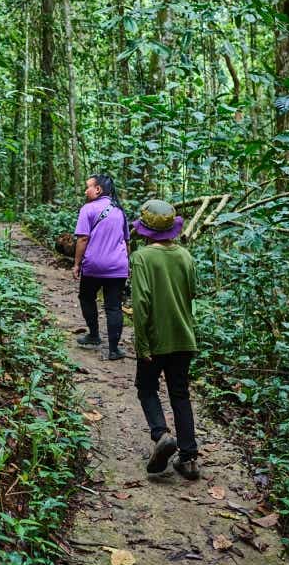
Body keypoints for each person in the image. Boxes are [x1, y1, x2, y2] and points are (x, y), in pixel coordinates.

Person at [130, 199, 200, 480]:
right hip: (184, 337)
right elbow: (192, 292)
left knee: (146, 387)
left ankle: (161, 434)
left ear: (145, 230)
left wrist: (142, 344)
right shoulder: (185, 256)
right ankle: (189, 457)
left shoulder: (142, 258)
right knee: (180, 394)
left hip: (155, 338)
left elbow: (141, 303)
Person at [72, 174, 131, 360]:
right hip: (117, 267)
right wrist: (126, 264)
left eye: (88, 187)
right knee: (114, 307)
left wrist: (76, 264)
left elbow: (82, 239)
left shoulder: (87, 209)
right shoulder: (119, 211)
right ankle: (114, 349)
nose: (85, 190)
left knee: (86, 297)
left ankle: (94, 335)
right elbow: (126, 241)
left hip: (94, 266)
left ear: (98, 189)